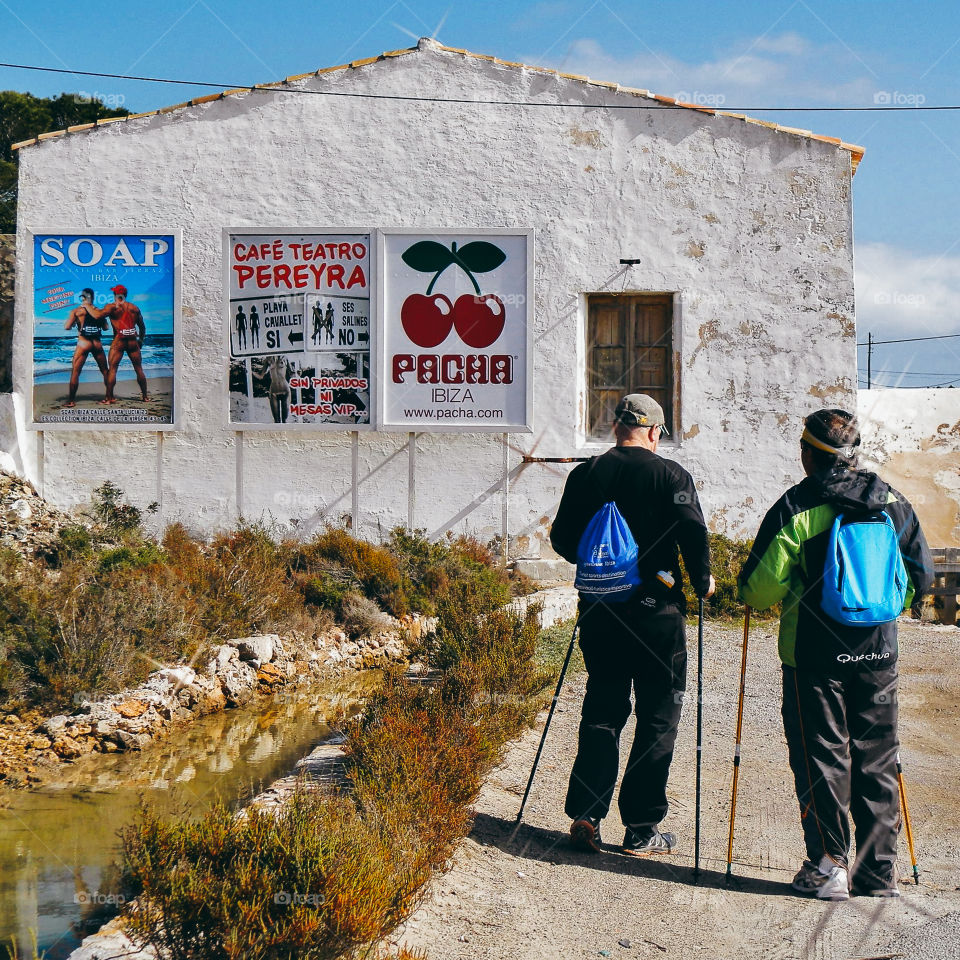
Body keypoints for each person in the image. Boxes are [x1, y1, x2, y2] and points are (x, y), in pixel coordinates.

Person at [738, 409, 932, 900]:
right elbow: (921, 578)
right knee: (878, 757)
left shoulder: (797, 506)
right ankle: (877, 874)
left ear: (809, 454)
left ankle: (829, 868)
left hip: (814, 656)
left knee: (820, 757)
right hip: (879, 653)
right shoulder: (892, 502)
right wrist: (878, 608)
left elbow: (759, 591)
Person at [550, 394, 714, 857]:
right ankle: (641, 828)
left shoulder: (585, 475)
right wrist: (702, 580)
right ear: (655, 432)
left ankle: (587, 814)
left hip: (601, 611)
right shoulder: (671, 475)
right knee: (658, 716)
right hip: (656, 613)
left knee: (603, 710)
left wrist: (601, 562)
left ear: (616, 427)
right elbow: (693, 531)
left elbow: (562, 539)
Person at [102, 284, 151, 403]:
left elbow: (98, 317)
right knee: (139, 369)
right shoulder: (134, 308)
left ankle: (109, 398)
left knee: (112, 369)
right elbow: (142, 327)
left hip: (119, 340)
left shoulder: (112, 307)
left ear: (115, 294)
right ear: (125, 295)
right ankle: (145, 397)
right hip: (132, 341)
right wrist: (140, 341)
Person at [63, 288, 109, 406]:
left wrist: (75, 323)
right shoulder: (99, 311)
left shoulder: (76, 311)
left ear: (82, 297)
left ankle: (71, 401)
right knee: (105, 371)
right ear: (93, 297)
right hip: (97, 343)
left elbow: (67, 327)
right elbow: (106, 328)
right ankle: (110, 397)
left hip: (83, 343)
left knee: (76, 372)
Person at [267, 355, 290, 423]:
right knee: (276, 421)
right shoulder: (268, 358)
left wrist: (298, 373)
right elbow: (261, 376)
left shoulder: (285, 357)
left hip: (285, 390)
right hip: (273, 391)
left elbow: (292, 373)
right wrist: (250, 371)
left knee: (285, 420)